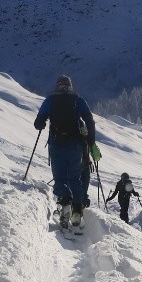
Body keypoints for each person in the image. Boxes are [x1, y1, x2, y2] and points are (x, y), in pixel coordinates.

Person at [34, 75, 96, 231]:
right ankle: (77, 210)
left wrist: (42, 122)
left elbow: (38, 123)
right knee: (75, 177)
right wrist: (90, 140)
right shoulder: (78, 100)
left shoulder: (50, 100)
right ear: (70, 86)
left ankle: (65, 204)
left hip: (56, 145)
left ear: (57, 86)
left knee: (60, 177)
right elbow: (89, 120)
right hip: (75, 145)